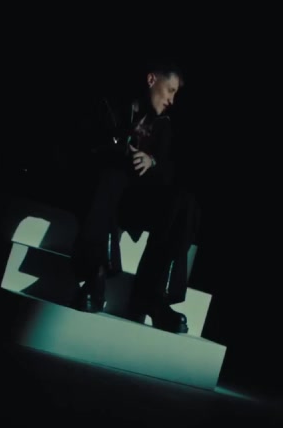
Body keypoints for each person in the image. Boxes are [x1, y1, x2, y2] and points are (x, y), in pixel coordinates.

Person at [69, 64, 200, 334]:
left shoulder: (164, 125)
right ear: (152, 79)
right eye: (170, 90)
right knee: (111, 175)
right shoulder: (114, 106)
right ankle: (96, 274)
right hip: (106, 194)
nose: (171, 100)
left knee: (184, 202)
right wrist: (121, 151)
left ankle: (153, 295)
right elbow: (86, 146)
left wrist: (151, 161)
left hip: (136, 202)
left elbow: (168, 171)